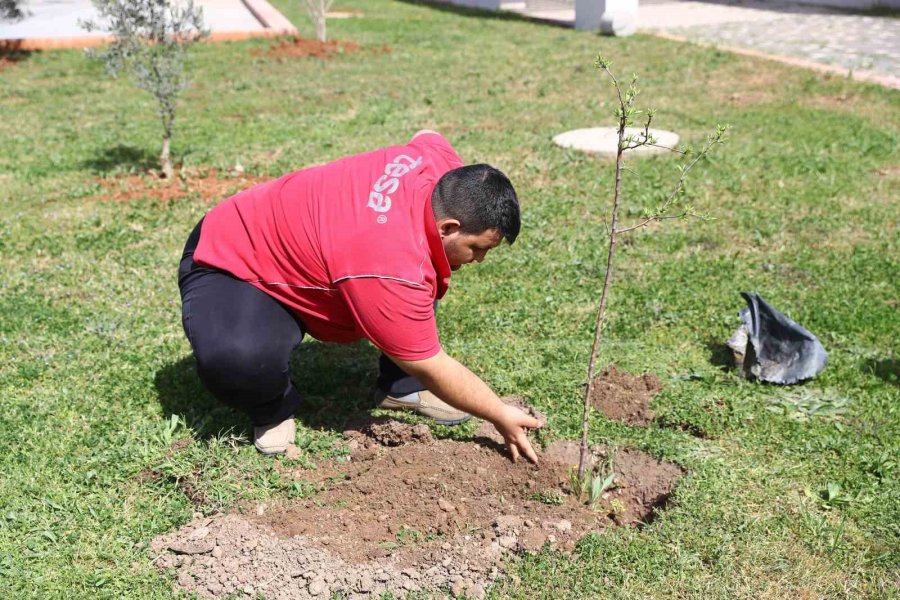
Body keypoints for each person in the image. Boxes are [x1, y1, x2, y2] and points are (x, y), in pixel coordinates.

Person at [177, 130, 542, 462]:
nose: (479, 259)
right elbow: (431, 362)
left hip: (316, 252)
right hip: (232, 259)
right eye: (478, 248)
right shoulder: (386, 263)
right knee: (238, 358)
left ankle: (401, 387)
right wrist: (498, 411)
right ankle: (271, 407)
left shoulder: (437, 167)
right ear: (449, 227)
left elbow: (428, 135)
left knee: (424, 269)